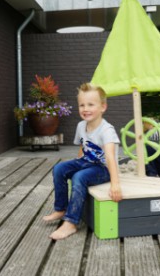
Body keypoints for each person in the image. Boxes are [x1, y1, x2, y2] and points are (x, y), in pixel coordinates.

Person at [43, 83, 122, 240]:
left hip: (103, 168)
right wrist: (75, 164)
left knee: (79, 177)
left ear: (103, 107)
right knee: (59, 168)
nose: (85, 109)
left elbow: (111, 158)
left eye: (91, 105)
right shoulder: (81, 125)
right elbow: (82, 146)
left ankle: (71, 223)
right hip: (86, 161)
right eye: (82, 105)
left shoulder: (107, 130)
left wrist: (115, 184)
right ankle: (61, 208)